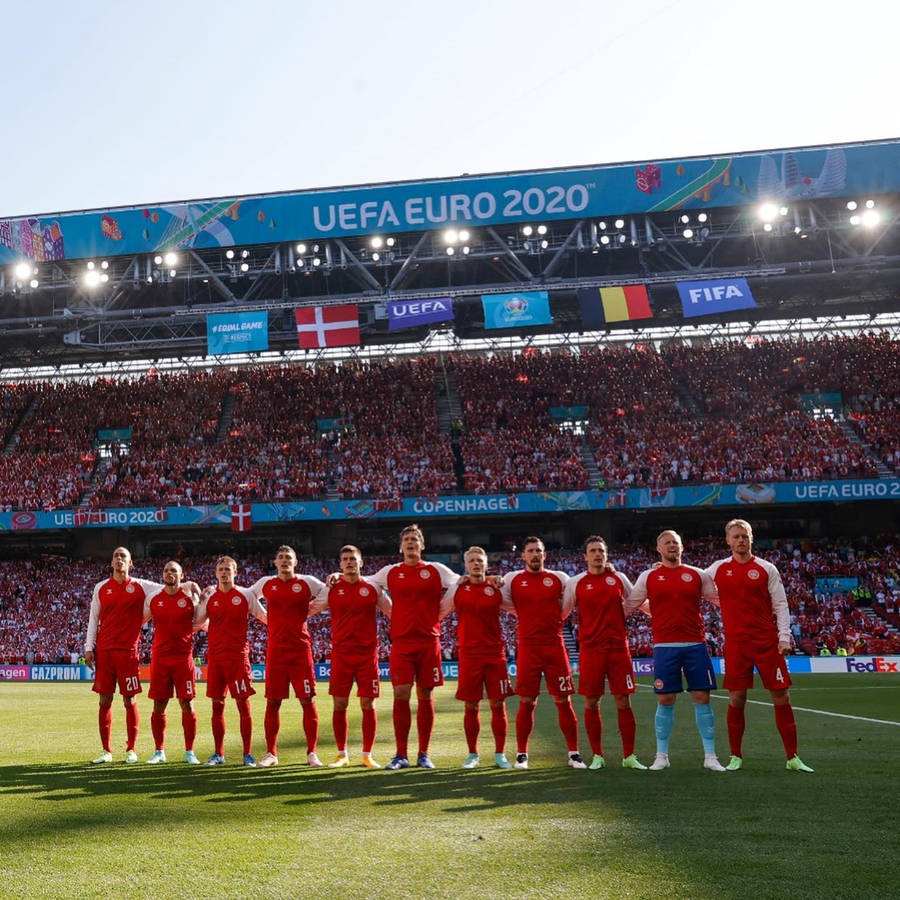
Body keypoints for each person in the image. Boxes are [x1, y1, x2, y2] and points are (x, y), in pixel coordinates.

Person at [705, 519, 814, 773]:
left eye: (745, 536)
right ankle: (735, 756)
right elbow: (693, 582)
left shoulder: (766, 568)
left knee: (781, 694)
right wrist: (722, 602)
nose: (741, 540)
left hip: (766, 642)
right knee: (737, 696)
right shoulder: (717, 569)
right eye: (736, 536)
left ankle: (792, 757)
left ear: (751, 538)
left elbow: (781, 604)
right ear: (728, 541)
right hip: (737, 644)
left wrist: (784, 636)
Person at [625, 530, 726, 772]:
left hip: (695, 645)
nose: (672, 546)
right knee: (665, 698)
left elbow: (720, 599)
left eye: (675, 542)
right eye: (667, 543)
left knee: (702, 697)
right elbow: (630, 604)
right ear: (658, 549)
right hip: (664, 646)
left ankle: (710, 756)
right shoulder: (649, 576)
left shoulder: (697, 575)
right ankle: (662, 755)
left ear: (682, 547)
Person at [369, 524, 459, 770]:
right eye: (407, 539)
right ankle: (400, 755)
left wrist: (440, 613)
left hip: (429, 642)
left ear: (422, 545)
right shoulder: (390, 572)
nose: (410, 542)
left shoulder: (435, 570)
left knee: (426, 695)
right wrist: (392, 611)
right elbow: (366, 584)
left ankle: (424, 754)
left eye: (415, 539)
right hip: (402, 643)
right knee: (401, 694)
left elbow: (460, 583)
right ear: (401, 546)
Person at [562, 535, 647, 771]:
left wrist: (658, 614)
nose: (598, 554)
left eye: (601, 550)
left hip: (619, 648)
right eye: (593, 550)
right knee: (591, 701)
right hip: (591, 650)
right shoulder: (576, 582)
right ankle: (597, 755)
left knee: (623, 700)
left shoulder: (618, 578)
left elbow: (636, 601)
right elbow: (563, 611)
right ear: (585, 556)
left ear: (606, 554)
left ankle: (629, 756)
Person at [501, 536, 586, 770]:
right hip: (528, 646)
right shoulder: (513, 579)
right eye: (530, 551)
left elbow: (569, 602)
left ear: (544, 555)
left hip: (554, 645)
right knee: (527, 700)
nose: (535, 554)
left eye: (538, 550)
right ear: (523, 556)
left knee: (563, 699)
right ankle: (521, 754)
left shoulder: (559, 578)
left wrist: (554, 622)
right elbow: (504, 601)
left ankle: (574, 754)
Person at [309, 545, 391, 769]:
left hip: (367, 655)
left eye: (353, 559)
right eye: (345, 559)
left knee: (368, 703)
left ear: (361, 562)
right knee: (340, 703)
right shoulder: (332, 589)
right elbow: (310, 609)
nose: (349, 562)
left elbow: (392, 611)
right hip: (341, 655)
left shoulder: (373, 588)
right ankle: (341, 754)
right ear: (340, 564)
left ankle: (367, 755)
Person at [84, 547, 168, 764]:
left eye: (123, 556)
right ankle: (106, 751)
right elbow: (93, 618)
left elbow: (168, 587)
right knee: (105, 700)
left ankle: (131, 749)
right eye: (116, 556)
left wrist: (190, 586)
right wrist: (88, 647)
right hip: (104, 652)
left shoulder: (142, 586)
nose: (119, 559)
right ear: (111, 563)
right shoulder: (100, 588)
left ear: (130, 564)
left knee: (130, 699)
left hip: (128, 652)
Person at [247, 546, 326, 768]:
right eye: (280, 557)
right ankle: (271, 753)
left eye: (288, 557)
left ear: (295, 561)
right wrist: (265, 618)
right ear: (275, 562)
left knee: (308, 701)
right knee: (273, 703)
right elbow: (248, 596)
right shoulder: (266, 583)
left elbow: (326, 593)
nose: (284, 561)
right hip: (276, 652)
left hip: (301, 650)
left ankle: (312, 753)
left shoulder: (307, 582)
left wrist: (308, 610)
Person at [440, 546, 513, 770]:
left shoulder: (496, 587)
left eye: (480, 560)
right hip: (469, 655)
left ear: (486, 564)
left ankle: (500, 754)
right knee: (471, 705)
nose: (476, 563)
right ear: (465, 564)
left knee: (498, 704)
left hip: (495, 654)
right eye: (471, 560)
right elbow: (439, 611)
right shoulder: (457, 589)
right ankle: (473, 754)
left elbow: (517, 608)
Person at [194, 556, 267, 766]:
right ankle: (219, 754)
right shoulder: (210, 598)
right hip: (216, 659)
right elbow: (196, 623)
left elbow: (264, 617)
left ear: (235, 572)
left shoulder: (246, 595)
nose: (224, 572)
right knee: (217, 706)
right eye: (221, 569)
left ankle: (247, 754)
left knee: (243, 705)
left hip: (238, 659)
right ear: (216, 573)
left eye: (228, 569)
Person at [142, 560, 202, 765]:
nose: (170, 573)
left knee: (187, 703)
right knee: (159, 704)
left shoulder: (190, 599)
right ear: (162, 575)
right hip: (160, 659)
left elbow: (202, 620)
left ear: (181, 575)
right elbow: (139, 621)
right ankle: (159, 751)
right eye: (166, 570)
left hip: (183, 659)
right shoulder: (154, 599)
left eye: (174, 571)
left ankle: (189, 752)